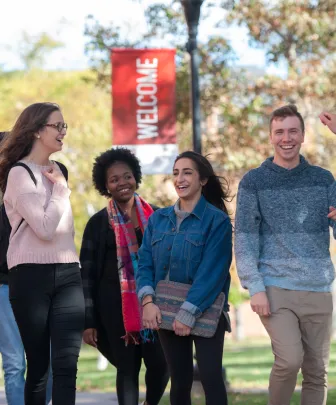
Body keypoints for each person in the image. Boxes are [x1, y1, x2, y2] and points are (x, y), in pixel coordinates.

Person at [235, 104, 336, 405]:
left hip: (319, 289)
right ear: (270, 137)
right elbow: (244, 238)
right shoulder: (254, 182)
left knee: (317, 371)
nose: (286, 138)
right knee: (290, 360)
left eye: (293, 131)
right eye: (279, 132)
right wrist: (255, 287)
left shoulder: (324, 179)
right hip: (276, 288)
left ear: (303, 135)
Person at [0, 103, 85, 405]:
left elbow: (63, 231)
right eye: (57, 126)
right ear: (37, 130)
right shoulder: (18, 174)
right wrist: (61, 189)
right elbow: (45, 227)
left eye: (65, 126)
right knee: (39, 367)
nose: (63, 132)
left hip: (68, 274)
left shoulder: (58, 171)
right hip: (30, 277)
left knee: (67, 366)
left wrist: (60, 183)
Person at [136, 151, 232, 405]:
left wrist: (188, 312)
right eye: (176, 173)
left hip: (205, 307)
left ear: (202, 180)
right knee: (179, 380)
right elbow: (144, 263)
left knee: (211, 379)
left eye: (187, 172)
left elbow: (213, 271)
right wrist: (147, 301)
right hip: (164, 307)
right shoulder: (157, 219)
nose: (180, 178)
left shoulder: (217, 221)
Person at [80, 147, 169, 405]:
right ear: (105, 185)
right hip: (114, 310)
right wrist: (88, 320)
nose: (122, 183)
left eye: (127, 176)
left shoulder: (158, 217)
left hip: (155, 304)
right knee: (127, 369)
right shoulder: (97, 224)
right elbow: (86, 275)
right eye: (114, 179)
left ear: (136, 177)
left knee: (161, 365)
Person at [0, 131, 52, 405]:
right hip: (3, 287)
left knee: (49, 359)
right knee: (14, 362)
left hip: (38, 283)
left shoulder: (32, 188)